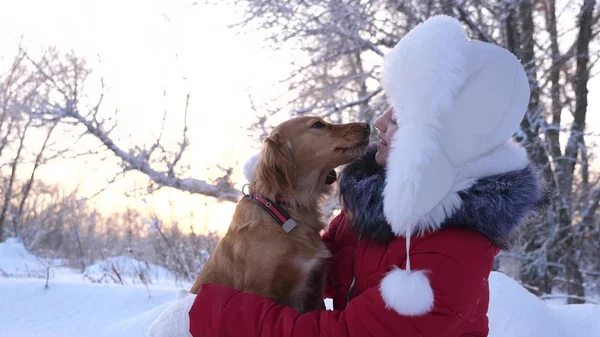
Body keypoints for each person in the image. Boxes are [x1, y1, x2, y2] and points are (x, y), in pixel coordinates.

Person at [147, 15, 545, 337]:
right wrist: (275, 193)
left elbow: (342, 333)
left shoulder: (450, 255)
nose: (380, 122)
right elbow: (309, 270)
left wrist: (203, 315)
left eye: (400, 115)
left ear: (438, 138)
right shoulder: (368, 213)